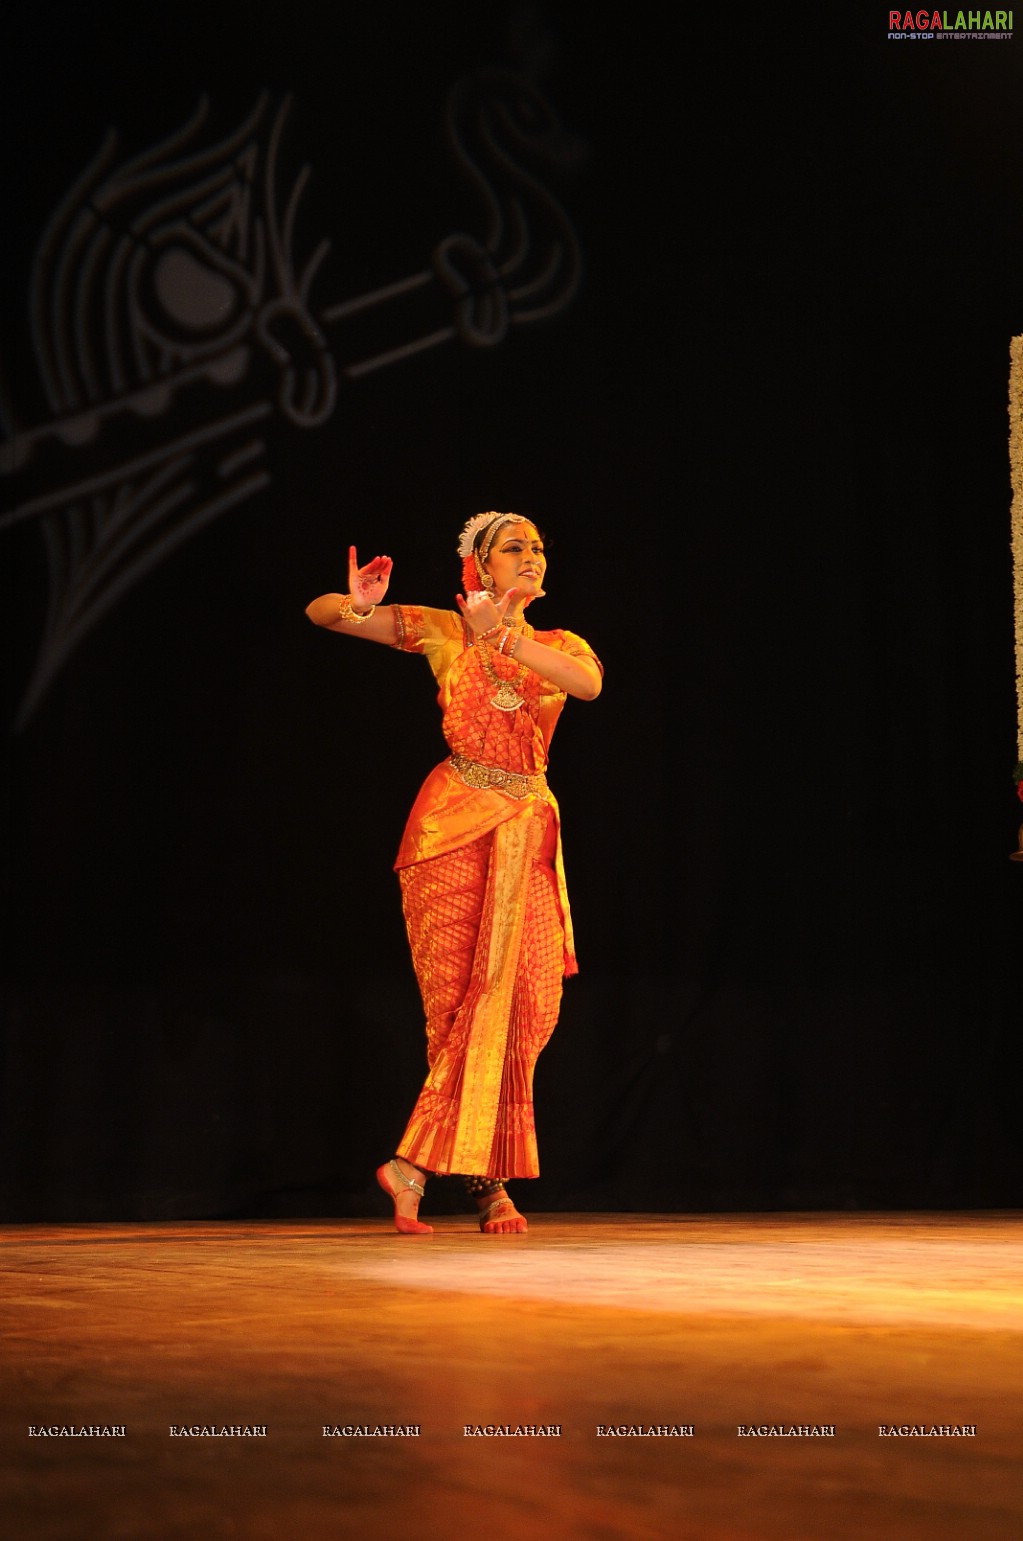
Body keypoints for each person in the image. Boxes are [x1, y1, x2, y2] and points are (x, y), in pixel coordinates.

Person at [305, 511, 602, 1235]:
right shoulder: (445, 629)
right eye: (513, 548)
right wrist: (361, 605)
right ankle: (487, 1186)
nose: (530, 557)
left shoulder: (558, 644)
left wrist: (504, 635)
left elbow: (586, 685)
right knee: (459, 1010)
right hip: (448, 830)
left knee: (526, 1005)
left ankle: (411, 1165)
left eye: (536, 547)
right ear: (480, 566)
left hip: (525, 829)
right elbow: (321, 614)